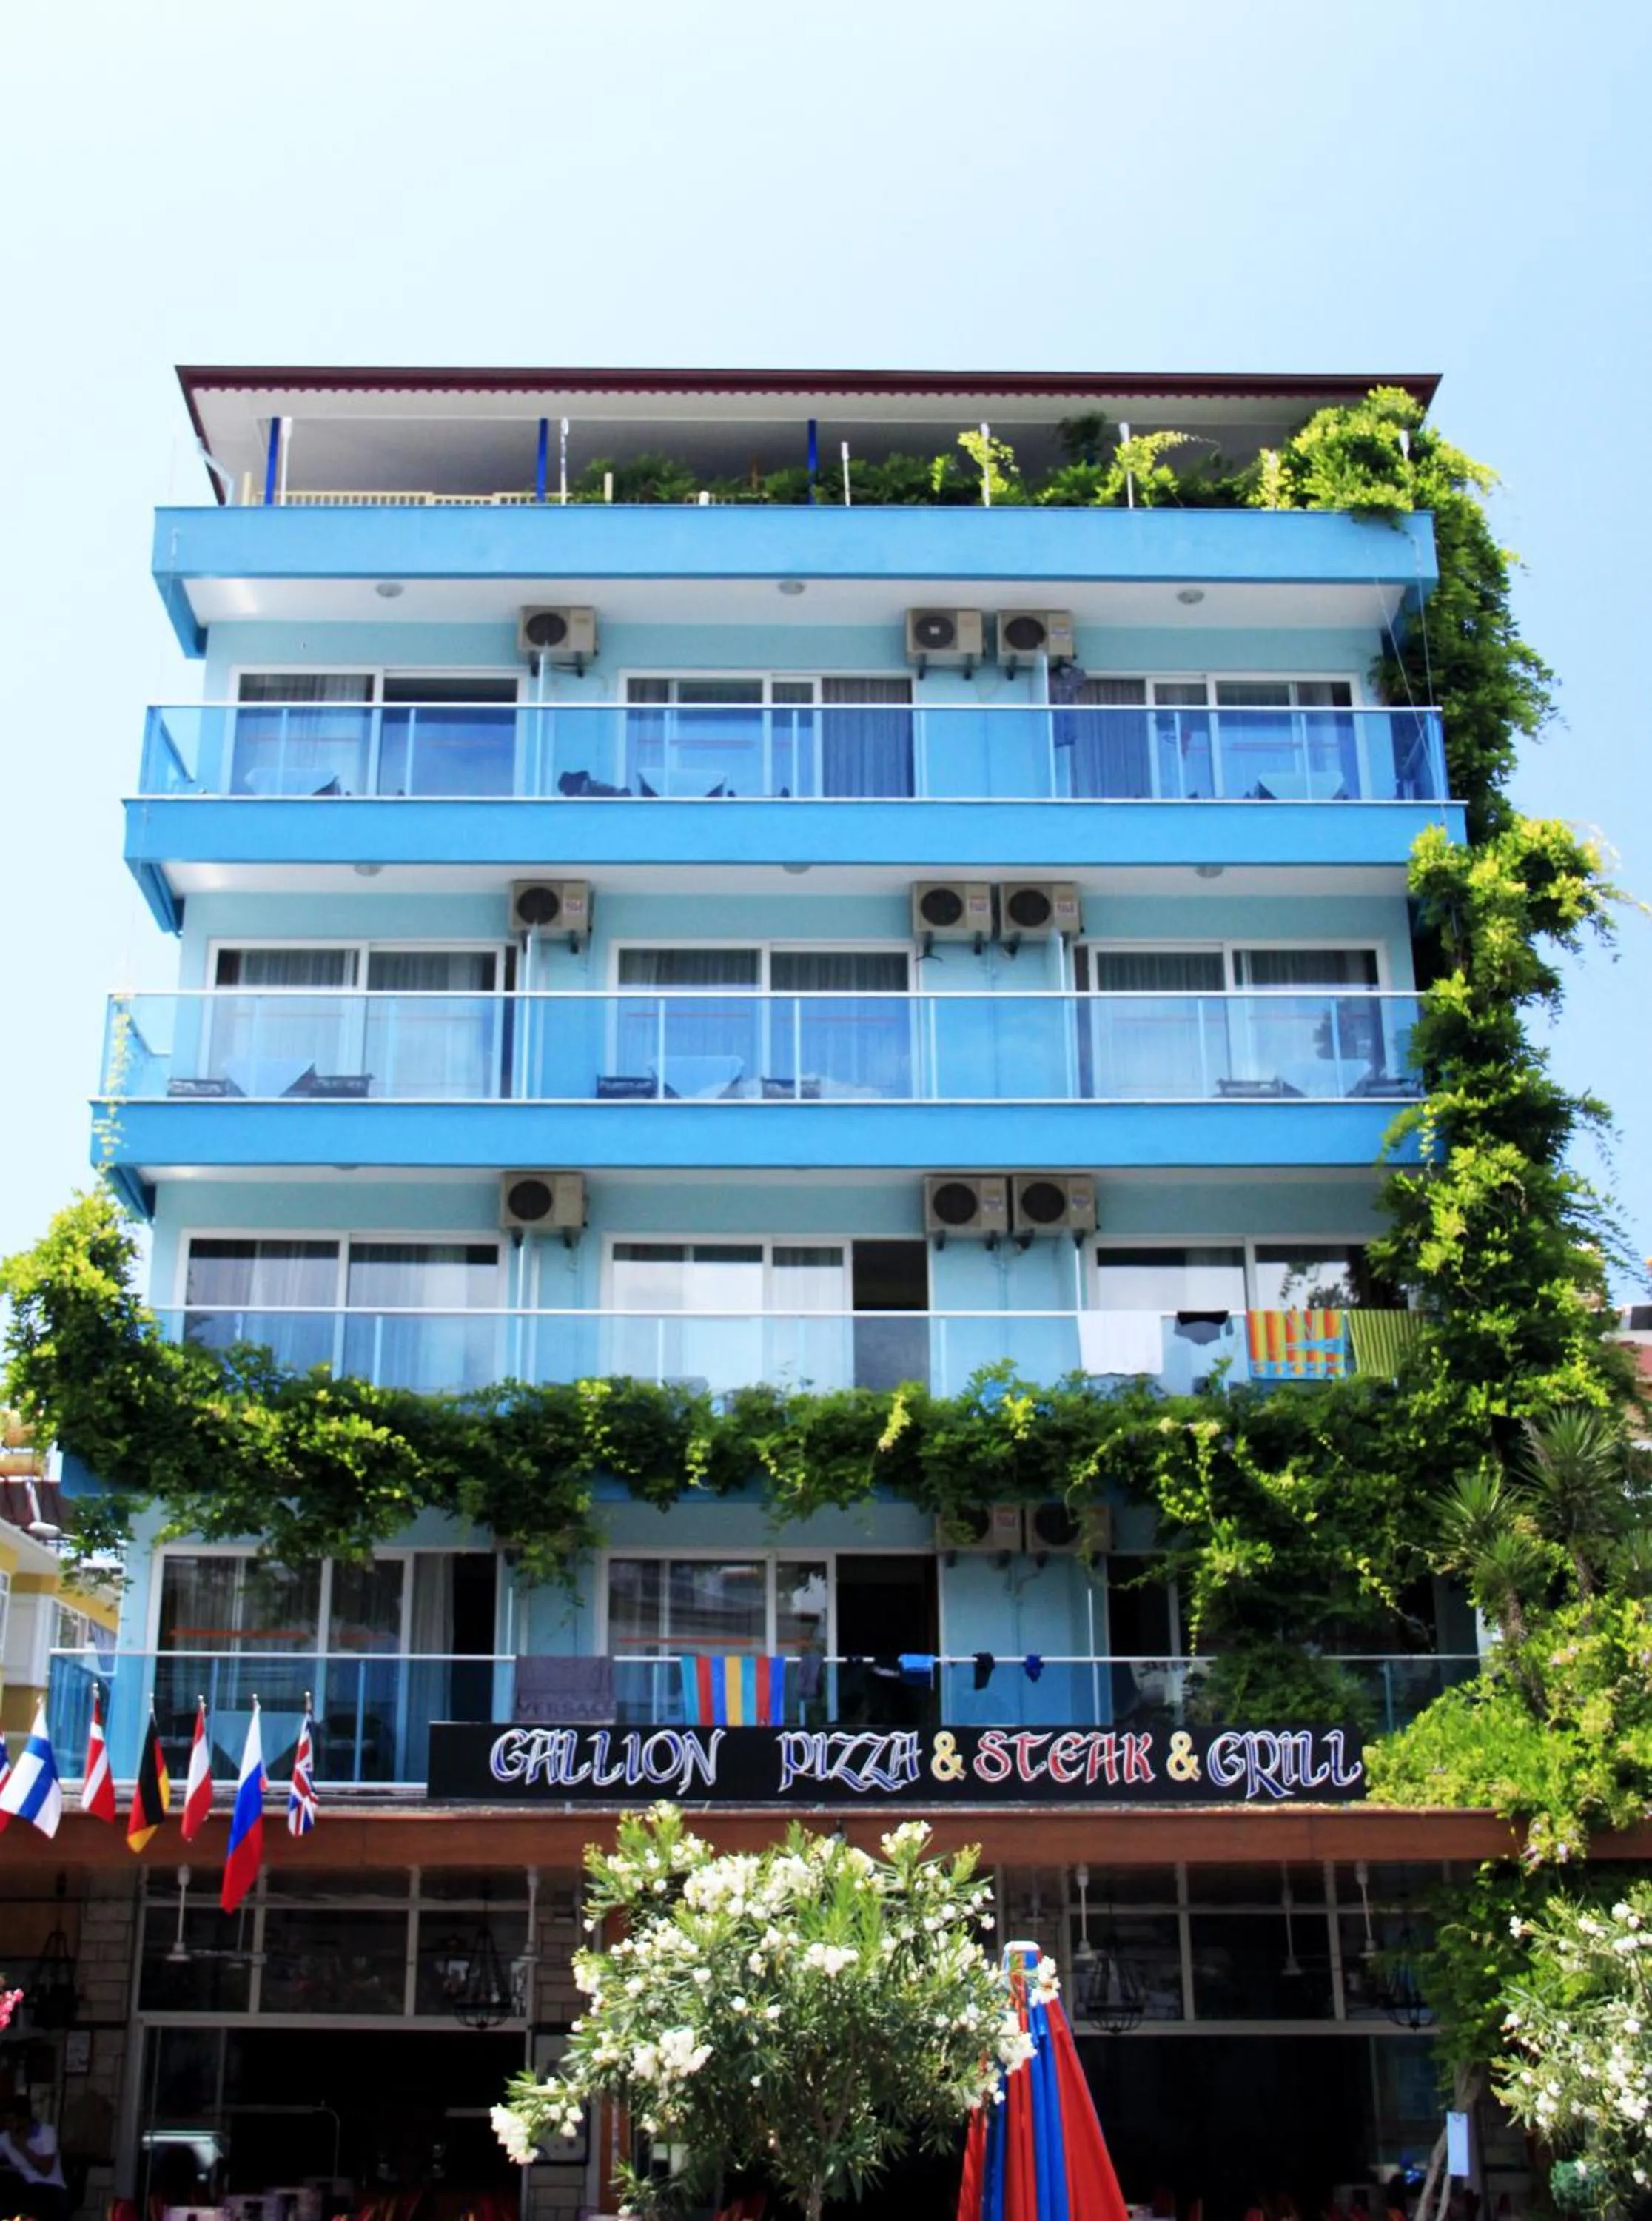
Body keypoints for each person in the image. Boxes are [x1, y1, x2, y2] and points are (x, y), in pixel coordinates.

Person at [0, 2095, 69, 2221]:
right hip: (25, 2188)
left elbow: (46, 2170)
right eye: (6, 2121)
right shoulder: (6, 2138)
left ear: (24, 2120)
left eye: (12, 2121)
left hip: (50, 2189)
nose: (9, 2125)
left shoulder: (46, 2133)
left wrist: (23, 2148)